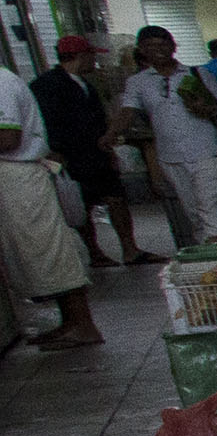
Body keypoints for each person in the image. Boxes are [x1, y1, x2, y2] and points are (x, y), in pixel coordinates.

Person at [0, 57, 104, 351]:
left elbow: (7, 138)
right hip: (12, 178)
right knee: (36, 255)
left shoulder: (1, 83)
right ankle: (70, 322)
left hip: (19, 176)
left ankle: (84, 325)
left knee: (48, 249)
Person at [115, 25, 217, 248]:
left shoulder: (198, 74)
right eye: (150, 46)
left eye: (162, 44)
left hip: (206, 150)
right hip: (171, 156)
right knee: (193, 212)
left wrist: (203, 108)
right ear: (141, 50)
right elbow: (127, 112)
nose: (157, 50)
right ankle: (213, 257)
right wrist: (110, 135)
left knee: (209, 207)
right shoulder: (137, 83)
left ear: (173, 46)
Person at [39, 34, 140, 265]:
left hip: (96, 152)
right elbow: (49, 124)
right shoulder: (47, 86)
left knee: (115, 197)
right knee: (82, 204)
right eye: (91, 55)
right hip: (72, 156)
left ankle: (129, 248)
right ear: (80, 56)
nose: (94, 60)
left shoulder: (86, 84)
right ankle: (94, 252)